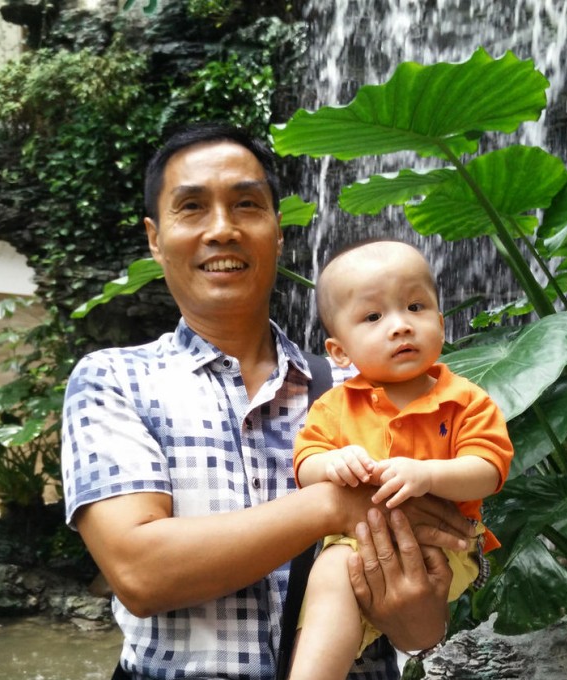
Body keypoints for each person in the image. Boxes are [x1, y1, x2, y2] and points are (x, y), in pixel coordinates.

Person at [60, 122, 476, 680]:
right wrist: (332, 506)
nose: (222, 230)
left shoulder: (365, 387)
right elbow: (141, 574)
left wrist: (417, 607)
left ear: (278, 232)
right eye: (191, 208)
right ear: (155, 238)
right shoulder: (113, 381)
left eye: (246, 205)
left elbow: (421, 630)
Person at [289, 239, 514, 680]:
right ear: (339, 351)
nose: (400, 326)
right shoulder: (334, 406)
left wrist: (428, 474)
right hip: (358, 539)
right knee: (333, 576)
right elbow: (307, 462)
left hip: (442, 542)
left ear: (441, 323)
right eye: (373, 317)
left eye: (415, 307)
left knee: (343, 576)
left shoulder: (466, 400)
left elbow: (488, 470)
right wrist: (332, 465)